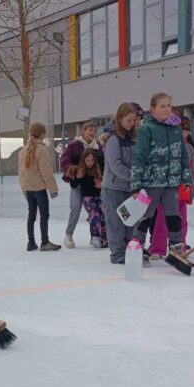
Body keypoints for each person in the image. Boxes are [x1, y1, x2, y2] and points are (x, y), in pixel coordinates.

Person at [129, 92, 190, 265]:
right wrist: (136, 185)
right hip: (151, 182)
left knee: (174, 217)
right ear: (153, 109)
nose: (167, 109)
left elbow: (183, 156)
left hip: (171, 182)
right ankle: (137, 248)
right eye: (162, 106)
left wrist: (186, 178)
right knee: (145, 217)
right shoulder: (146, 129)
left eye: (169, 105)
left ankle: (177, 249)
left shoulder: (176, 129)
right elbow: (139, 157)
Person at [150, 114, 194, 256]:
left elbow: (192, 170)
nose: (184, 134)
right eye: (181, 130)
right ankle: (157, 249)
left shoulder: (189, 148)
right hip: (166, 190)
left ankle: (179, 248)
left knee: (181, 221)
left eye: (186, 131)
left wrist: (191, 190)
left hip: (182, 190)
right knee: (162, 220)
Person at [102, 103, 139, 265]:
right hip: (113, 188)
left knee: (130, 221)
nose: (132, 123)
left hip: (130, 188)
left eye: (134, 120)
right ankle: (118, 254)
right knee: (115, 222)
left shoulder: (133, 138)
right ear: (120, 119)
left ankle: (129, 251)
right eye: (128, 120)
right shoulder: (113, 140)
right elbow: (115, 166)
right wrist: (135, 176)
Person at [59, 120, 104, 249]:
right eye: (90, 130)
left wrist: (102, 179)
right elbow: (64, 160)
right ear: (83, 132)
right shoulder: (74, 145)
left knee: (101, 209)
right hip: (79, 184)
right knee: (76, 206)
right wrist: (73, 172)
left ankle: (100, 235)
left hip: (94, 186)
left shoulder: (98, 146)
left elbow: (103, 163)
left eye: (94, 131)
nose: (93, 133)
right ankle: (69, 234)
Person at [17, 122, 60, 251]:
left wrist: (24, 189)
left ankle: (31, 243)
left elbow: (21, 173)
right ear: (42, 134)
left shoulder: (22, 151)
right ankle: (45, 242)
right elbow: (46, 171)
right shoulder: (42, 150)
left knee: (31, 215)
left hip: (28, 189)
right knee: (44, 214)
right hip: (39, 189)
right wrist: (53, 189)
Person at [68, 147, 107, 248]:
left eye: (92, 160)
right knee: (94, 214)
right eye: (87, 160)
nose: (90, 163)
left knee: (104, 214)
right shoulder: (81, 170)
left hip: (98, 196)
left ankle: (104, 238)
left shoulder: (99, 169)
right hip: (88, 198)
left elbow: (105, 181)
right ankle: (95, 236)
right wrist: (77, 178)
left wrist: (101, 185)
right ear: (83, 160)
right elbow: (73, 185)